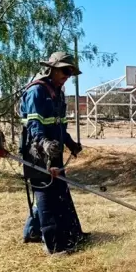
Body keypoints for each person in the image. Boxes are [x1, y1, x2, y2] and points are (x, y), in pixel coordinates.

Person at [19, 51, 88, 256]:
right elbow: (34, 123)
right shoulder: (37, 91)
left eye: (70, 72)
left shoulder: (58, 92)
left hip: (53, 149)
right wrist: (43, 143)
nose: (67, 75)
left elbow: (59, 125)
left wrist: (70, 143)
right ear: (51, 69)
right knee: (46, 195)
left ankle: (67, 234)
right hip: (36, 151)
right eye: (64, 70)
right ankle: (55, 246)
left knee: (60, 192)